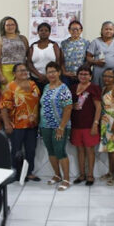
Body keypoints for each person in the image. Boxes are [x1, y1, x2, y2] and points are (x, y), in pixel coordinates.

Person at [0, 63, 41, 181]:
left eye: (25, 70)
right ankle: (17, 173)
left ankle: (29, 172)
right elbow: (3, 107)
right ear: (14, 73)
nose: (24, 72)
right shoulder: (9, 87)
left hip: (32, 124)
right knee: (16, 150)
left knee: (31, 149)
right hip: (16, 124)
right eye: (20, 70)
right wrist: (6, 123)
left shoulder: (33, 84)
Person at [40, 62, 73, 191]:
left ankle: (66, 179)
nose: (51, 74)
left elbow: (68, 109)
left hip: (59, 126)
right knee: (51, 151)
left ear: (59, 72)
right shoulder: (46, 87)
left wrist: (61, 127)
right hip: (45, 125)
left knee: (60, 151)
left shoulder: (64, 89)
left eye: (54, 71)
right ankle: (57, 175)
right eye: (49, 72)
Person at [69, 65, 101, 186]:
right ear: (77, 75)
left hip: (89, 124)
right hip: (76, 124)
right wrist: (72, 106)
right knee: (79, 150)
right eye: (81, 74)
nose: (83, 76)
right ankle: (81, 174)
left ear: (90, 76)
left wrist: (95, 123)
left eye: (86, 74)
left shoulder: (94, 88)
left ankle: (90, 175)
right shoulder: (72, 88)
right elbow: (67, 105)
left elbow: (98, 107)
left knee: (90, 150)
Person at [0, 16, 29, 87]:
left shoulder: (23, 38)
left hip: (22, 69)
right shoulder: (0, 40)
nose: (10, 27)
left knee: (22, 93)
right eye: (8, 25)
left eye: (12, 24)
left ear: (16, 26)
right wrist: (0, 75)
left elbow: (28, 55)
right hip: (7, 71)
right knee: (8, 93)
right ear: (3, 27)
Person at [27, 22, 61, 92]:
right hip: (36, 79)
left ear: (49, 32)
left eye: (46, 30)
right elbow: (29, 63)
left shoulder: (54, 45)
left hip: (52, 79)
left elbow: (58, 61)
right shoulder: (33, 46)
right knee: (36, 100)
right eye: (41, 30)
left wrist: (49, 76)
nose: (43, 32)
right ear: (38, 32)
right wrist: (39, 75)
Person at [86, 21, 114, 87]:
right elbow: (88, 57)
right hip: (99, 73)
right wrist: (96, 62)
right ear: (102, 31)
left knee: (113, 93)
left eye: (110, 29)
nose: (108, 31)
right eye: (106, 29)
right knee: (98, 92)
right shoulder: (95, 42)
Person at [60, 20, 90, 87]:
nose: (75, 31)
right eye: (73, 29)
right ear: (69, 30)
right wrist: (64, 72)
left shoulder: (86, 43)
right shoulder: (64, 43)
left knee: (80, 96)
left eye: (77, 29)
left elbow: (88, 60)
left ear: (81, 30)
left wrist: (82, 73)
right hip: (67, 76)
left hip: (82, 76)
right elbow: (61, 60)